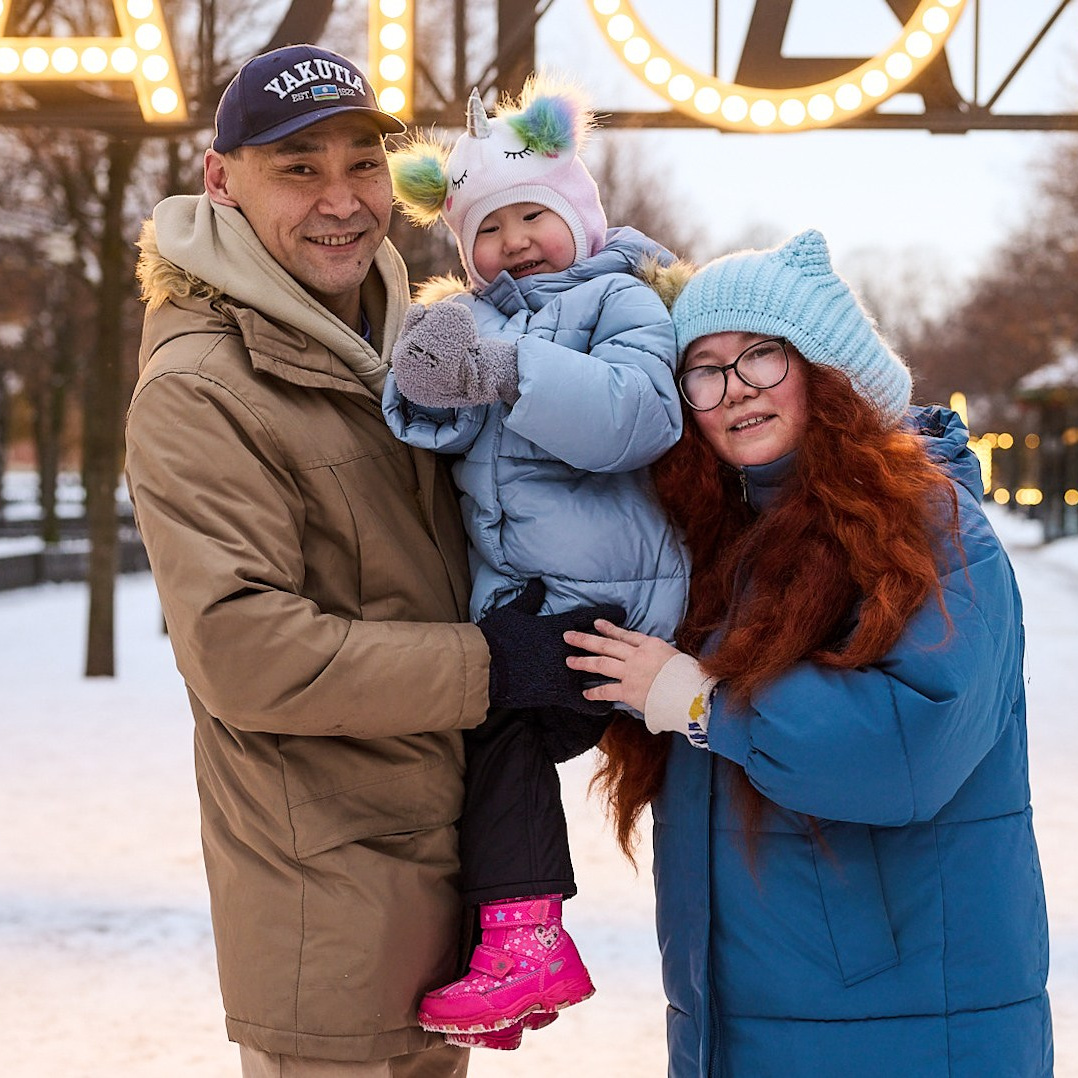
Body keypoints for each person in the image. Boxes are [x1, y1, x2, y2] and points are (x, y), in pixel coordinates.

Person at [124, 44, 614, 1078]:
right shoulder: (201, 387)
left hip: (441, 882)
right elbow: (246, 653)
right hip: (328, 905)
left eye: (362, 164)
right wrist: (498, 665)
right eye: (297, 168)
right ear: (221, 180)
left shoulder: (411, 340)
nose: (341, 200)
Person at [565, 229, 1054, 1077]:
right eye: (703, 370)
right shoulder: (714, 543)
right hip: (747, 1021)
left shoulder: (927, 527)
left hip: (903, 1030)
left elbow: (908, 748)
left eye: (761, 356)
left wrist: (700, 702)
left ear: (828, 372)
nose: (733, 388)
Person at [380, 78, 690, 1049]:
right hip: (528, 599)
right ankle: (508, 955)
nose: (513, 241)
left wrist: (511, 371)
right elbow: (444, 438)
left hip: (610, 598)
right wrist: (427, 385)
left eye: (532, 217)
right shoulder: (479, 320)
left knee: (490, 702)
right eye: (488, 228)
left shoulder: (618, 297)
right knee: (479, 723)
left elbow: (634, 419)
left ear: (579, 216)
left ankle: (527, 942)